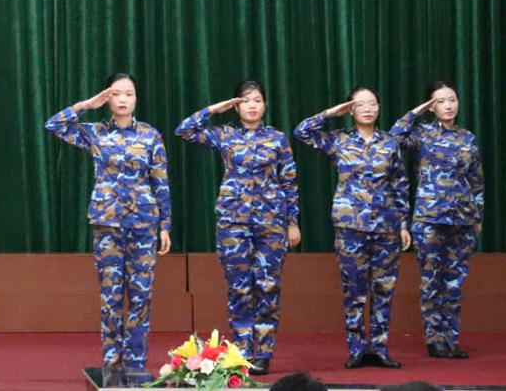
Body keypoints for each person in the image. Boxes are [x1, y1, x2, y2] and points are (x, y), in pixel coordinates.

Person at [45, 73, 171, 387]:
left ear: (136, 98)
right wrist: (86, 105)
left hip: (143, 224)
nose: (123, 99)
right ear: (107, 98)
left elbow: (161, 182)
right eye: (116, 94)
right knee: (111, 297)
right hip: (108, 225)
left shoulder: (151, 136)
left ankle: (136, 365)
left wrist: (165, 226)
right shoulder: (96, 132)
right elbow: (54, 125)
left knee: (141, 297)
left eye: (129, 93)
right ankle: (112, 366)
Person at [175, 79, 300, 375]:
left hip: (271, 223)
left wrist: (293, 222)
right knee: (239, 288)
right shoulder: (225, 134)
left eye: (257, 100)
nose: (252, 105)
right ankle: (242, 352)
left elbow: (289, 180)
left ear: (265, 104)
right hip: (233, 222)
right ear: (236, 106)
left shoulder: (277, 138)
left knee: (268, 287)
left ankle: (264, 353)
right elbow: (184, 130)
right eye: (245, 100)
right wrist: (215, 109)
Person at [294, 87, 409, 370]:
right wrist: (330, 113)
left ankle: (379, 348)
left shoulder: (390, 143)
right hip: (350, 226)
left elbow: (400, 184)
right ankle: (357, 349)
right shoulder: (339, 141)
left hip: (386, 226)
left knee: (384, 290)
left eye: (373, 104)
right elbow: (301, 132)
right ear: (350, 109)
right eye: (360, 104)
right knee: (354, 290)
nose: (368, 109)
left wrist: (403, 224)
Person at [390, 80, 484, 360]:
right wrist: (416, 112)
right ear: (432, 106)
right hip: (430, 219)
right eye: (440, 101)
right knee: (432, 281)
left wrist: (477, 215)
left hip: (463, 220)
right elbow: (393, 137)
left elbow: (476, 179)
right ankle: (434, 339)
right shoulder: (422, 134)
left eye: (452, 99)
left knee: (454, 283)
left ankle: (450, 339)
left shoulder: (467, 138)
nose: (448, 105)